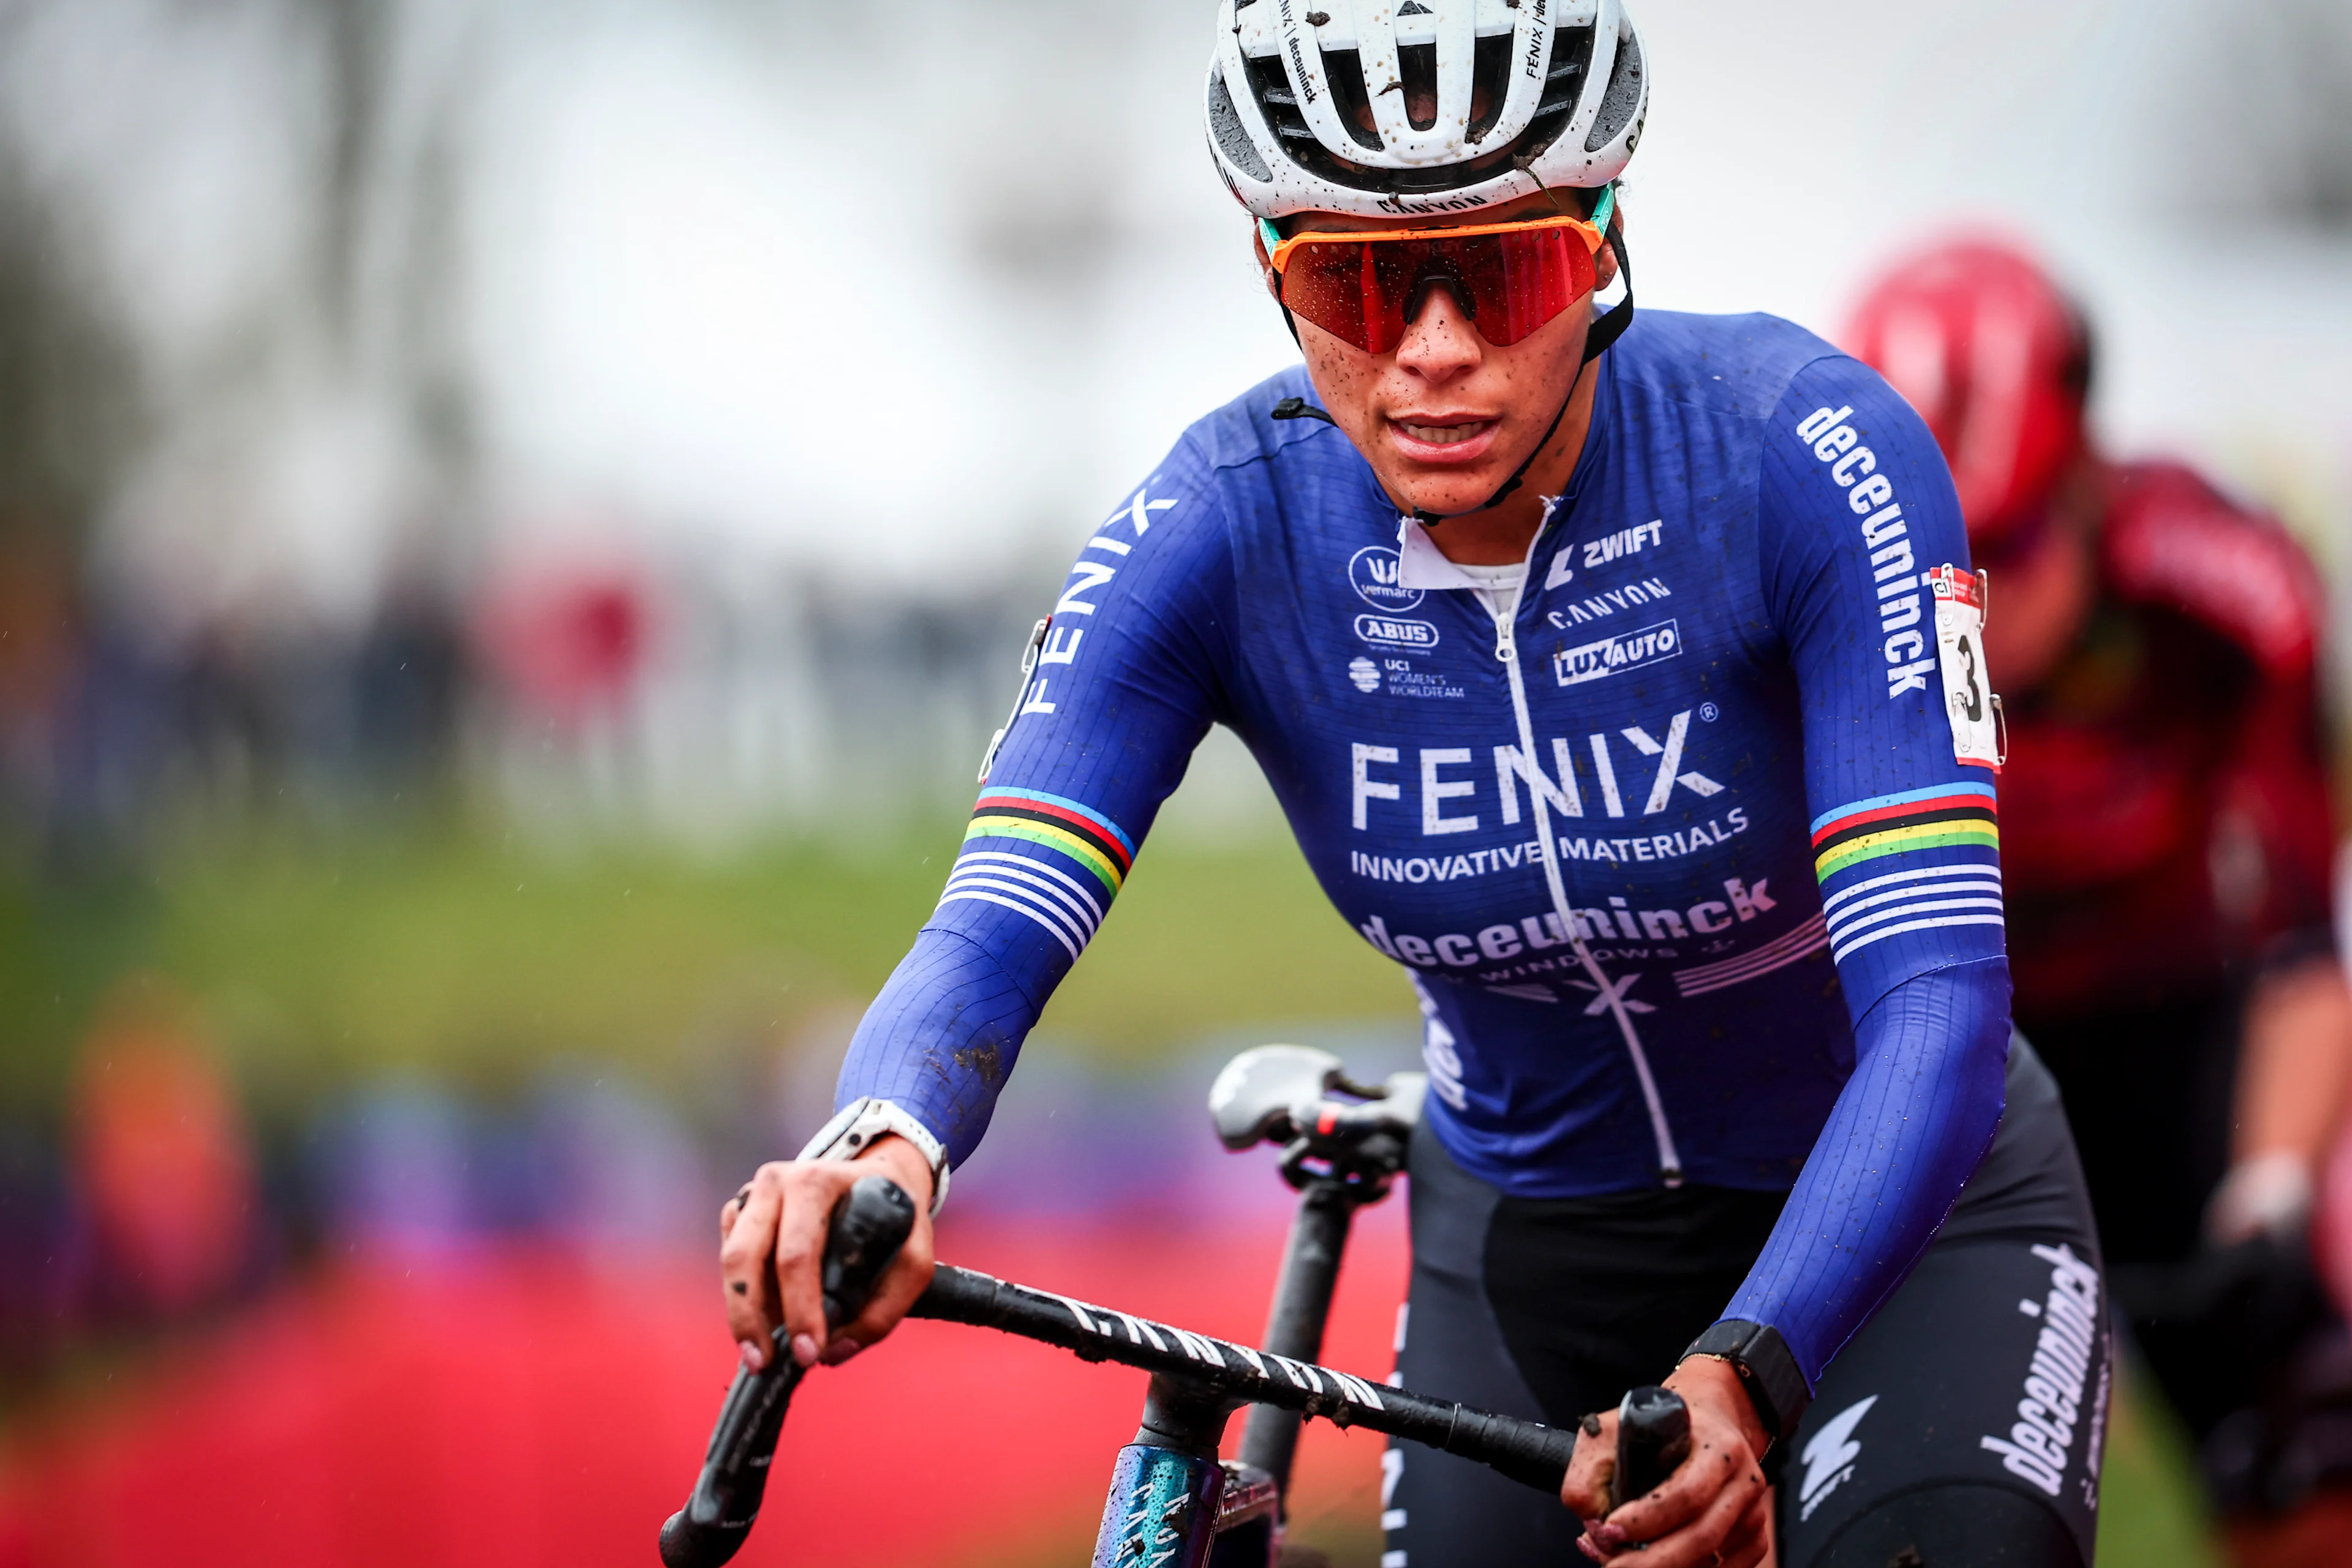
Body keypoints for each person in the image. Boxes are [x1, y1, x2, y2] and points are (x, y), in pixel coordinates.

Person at [720, 6, 2108, 1564]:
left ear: (1599, 250)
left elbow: (1937, 1002)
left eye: (1503, 270)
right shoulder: (1220, 524)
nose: (1434, 350)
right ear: (1274, 272)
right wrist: (883, 1134)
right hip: (1531, 1248)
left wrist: (1749, 1366)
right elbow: (995, 917)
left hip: (1901, 1224)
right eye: (1356, 283)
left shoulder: (1801, 452)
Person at [1849, 238, 2352, 1550]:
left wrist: (2272, 1197)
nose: (1970, 604)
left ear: (2086, 472)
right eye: (1933, 554)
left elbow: (2302, 933)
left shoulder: (2228, 592)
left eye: (2008, 543)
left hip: (2185, 1020)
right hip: (1947, 1036)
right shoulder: (1824, 607)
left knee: (2304, 1436)